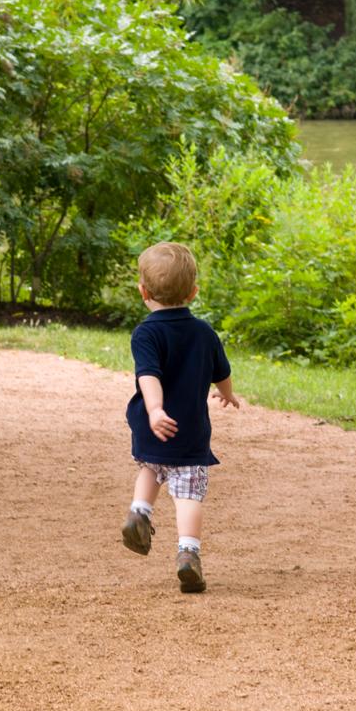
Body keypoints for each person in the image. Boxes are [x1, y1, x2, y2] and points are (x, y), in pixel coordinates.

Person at [121, 241, 240, 593]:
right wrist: (229, 394)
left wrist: (155, 410)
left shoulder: (146, 332)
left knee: (150, 468)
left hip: (152, 428)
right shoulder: (205, 333)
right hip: (188, 432)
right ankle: (188, 554)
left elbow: (149, 375)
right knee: (188, 495)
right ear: (193, 292)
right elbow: (223, 372)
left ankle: (139, 512)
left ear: (143, 291)